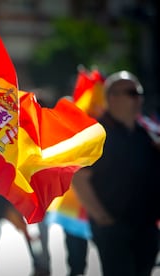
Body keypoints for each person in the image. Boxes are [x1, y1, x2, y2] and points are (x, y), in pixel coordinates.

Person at [72, 70, 160, 276]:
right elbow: (79, 177)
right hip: (115, 228)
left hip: (146, 226)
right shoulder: (97, 133)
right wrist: (102, 218)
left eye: (139, 93)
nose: (138, 98)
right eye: (131, 93)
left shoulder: (145, 133)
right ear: (112, 97)